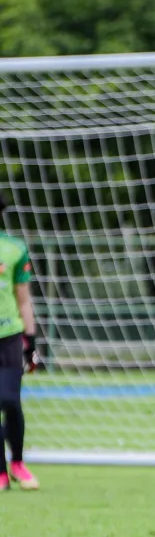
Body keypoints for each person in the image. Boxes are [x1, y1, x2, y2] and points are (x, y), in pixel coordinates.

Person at [0, 193, 41, 491]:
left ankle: (17, 462)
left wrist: (31, 339)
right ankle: (1, 473)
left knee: (10, 401)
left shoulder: (14, 248)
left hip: (10, 336)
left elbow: (23, 299)